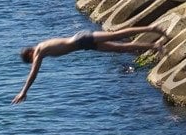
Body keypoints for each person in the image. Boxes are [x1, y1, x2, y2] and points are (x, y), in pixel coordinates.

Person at [12, 25, 167, 104]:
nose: (34, 62)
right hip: (83, 44)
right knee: (121, 49)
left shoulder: (39, 51)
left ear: (30, 55)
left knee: (117, 35)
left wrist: (24, 91)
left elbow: (33, 73)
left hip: (82, 39)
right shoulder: (41, 48)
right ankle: (155, 46)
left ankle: (153, 28)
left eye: (31, 61)